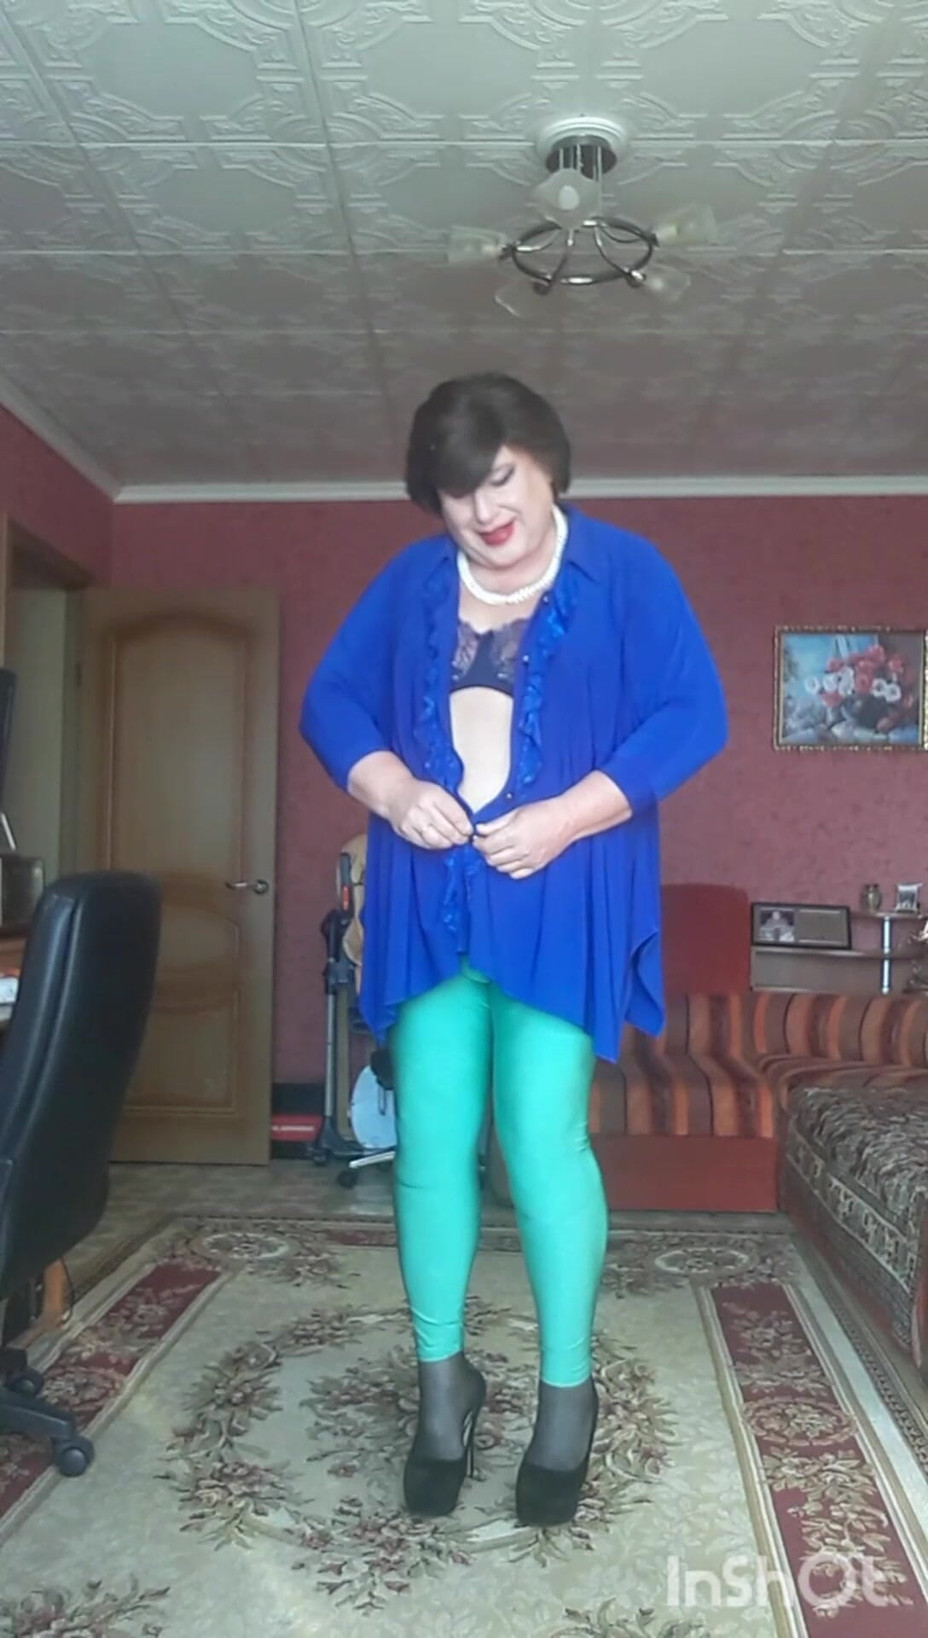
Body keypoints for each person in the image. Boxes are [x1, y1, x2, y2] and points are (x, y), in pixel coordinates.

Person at [300, 374, 727, 1527]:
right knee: (431, 1151)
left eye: (498, 480)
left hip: (560, 898)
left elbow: (693, 714)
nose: (483, 511)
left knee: (541, 1148)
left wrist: (567, 817)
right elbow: (331, 702)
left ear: (545, 465)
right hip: (429, 902)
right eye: (456, 493)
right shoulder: (409, 584)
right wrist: (391, 790)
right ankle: (443, 1387)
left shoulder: (627, 573)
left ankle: (565, 1393)